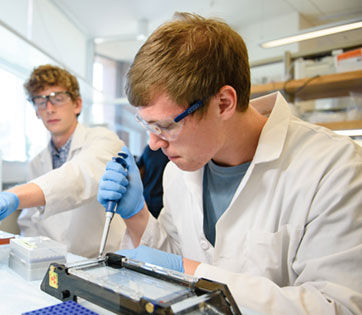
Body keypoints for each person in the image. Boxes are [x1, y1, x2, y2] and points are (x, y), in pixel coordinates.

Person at [97, 13, 362, 314]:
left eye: (166, 126)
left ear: (223, 103)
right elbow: (174, 258)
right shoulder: (178, 172)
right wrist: (136, 214)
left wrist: (196, 273)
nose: (154, 144)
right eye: (149, 126)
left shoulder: (334, 169)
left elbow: (338, 306)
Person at [0, 64, 125, 258]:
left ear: (77, 104)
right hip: (53, 263)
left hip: (99, 262)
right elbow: (29, 223)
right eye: (41, 102)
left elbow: (80, 176)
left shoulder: (103, 140)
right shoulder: (37, 162)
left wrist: (13, 196)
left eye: (58, 99)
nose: (49, 109)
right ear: (35, 111)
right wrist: (33, 258)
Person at [137, 145, 169, 218]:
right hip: (161, 200)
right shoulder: (168, 152)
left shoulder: (149, 149)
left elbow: (138, 169)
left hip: (147, 197)